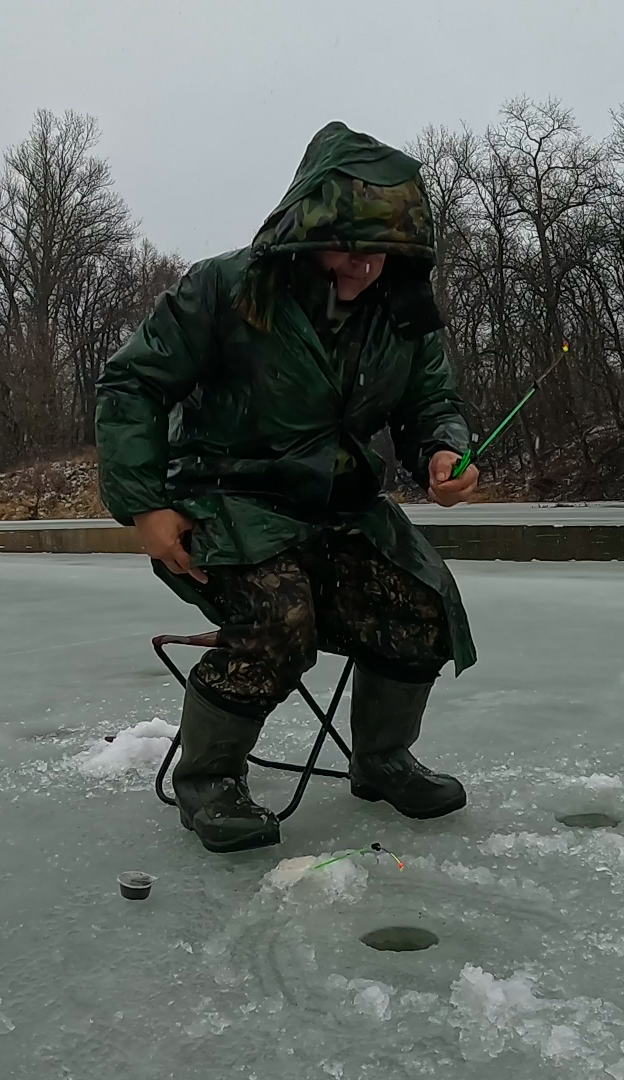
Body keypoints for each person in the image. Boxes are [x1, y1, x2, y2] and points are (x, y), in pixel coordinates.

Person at [95, 122, 480, 853]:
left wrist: (443, 454)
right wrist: (145, 505)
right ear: (305, 228)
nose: (363, 266)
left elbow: (431, 403)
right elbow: (131, 384)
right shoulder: (225, 288)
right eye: (347, 245)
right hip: (223, 498)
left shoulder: (403, 310)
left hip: (339, 508)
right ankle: (207, 780)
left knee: (423, 602)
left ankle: (381, 759)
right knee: (280, 619)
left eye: (381, 251)